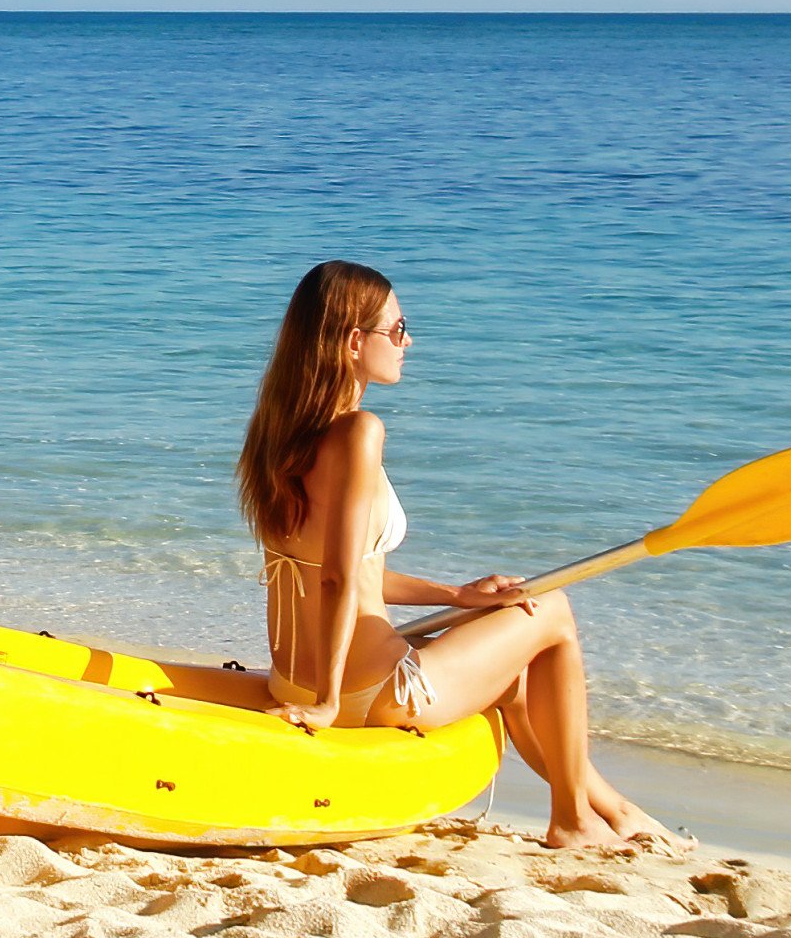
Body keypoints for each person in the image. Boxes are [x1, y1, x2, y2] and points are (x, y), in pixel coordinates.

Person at [239, 259, 668, 848]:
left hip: (290, 681)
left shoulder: (278, 436)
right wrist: (330, 703)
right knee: (554, 611)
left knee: (515, 670)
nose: (407, 341)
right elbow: (338, 581)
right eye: (397, 328)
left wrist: (457, 597)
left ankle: (614, 811)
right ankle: (572, 822)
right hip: (368, 691)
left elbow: (353, 576)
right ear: (353, 341)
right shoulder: (359, 432)